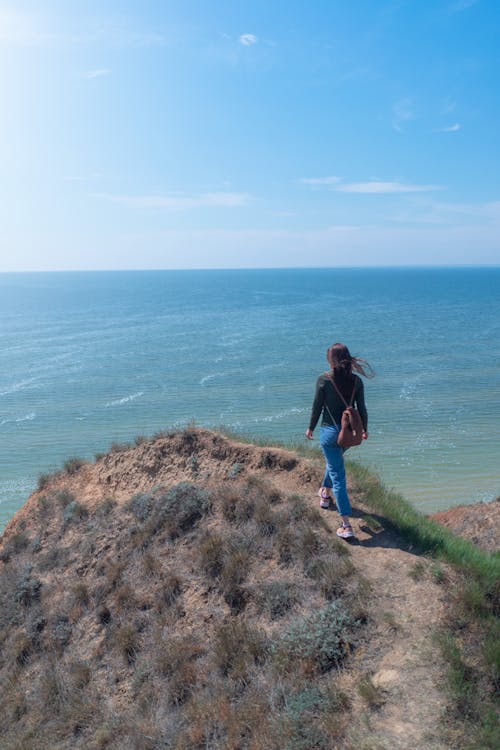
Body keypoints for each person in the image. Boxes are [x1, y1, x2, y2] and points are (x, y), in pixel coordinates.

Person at [305, 343, 373, 539]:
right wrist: (364, 430)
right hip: (348, 434)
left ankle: (346, 525)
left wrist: (310, 427)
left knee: (338, 476)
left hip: (329, 433)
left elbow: (317, 407)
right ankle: (324, 495)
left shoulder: (323, 380)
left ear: (332, 360)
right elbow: (362, 409)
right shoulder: (356, 381)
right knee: (334, 464)